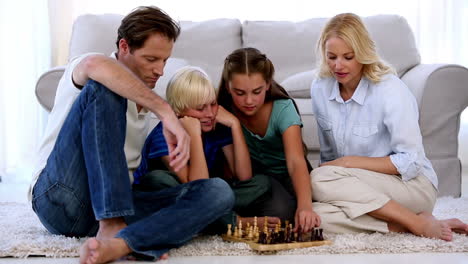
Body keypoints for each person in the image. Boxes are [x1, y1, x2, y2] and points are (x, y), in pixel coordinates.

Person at [29, 6, 234, 264]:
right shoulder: (92, 67)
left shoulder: (143, 98)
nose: (160, 70)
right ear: (124, 47)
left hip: (112, 208)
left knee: (218, 192)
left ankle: (124, 243)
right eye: (151, 59)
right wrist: (165, 111)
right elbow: (96, 66)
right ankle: (113, 223)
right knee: (106, 87)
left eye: (165, 61)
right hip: (59, 198)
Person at [310, 12, 468, 241]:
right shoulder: (320, 88)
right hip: (354, 186)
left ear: (363, 54)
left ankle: (414, 221)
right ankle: (406, 223)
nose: (338, 65)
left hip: (411, 185)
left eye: (348, 57)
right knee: (313, 217)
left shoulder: (390, 89)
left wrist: (346, 164)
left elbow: (411, 161)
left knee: (318, 179)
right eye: (331, 57)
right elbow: (328, 156)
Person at [133, 66, 273, 232]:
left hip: (196, 198)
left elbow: (244, 176)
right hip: (164, 195)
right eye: (200, 108)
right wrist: (194, 135)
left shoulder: (216, 127)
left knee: (260, 183)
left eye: (212, 104)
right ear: (178, 112)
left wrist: (235, 125)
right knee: (157, 178)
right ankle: (235, 222)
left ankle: (207, 218)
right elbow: (199, 188)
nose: (210, 114)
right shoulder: (163, 136)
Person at [218, 47, 321, 232]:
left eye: (257, 91)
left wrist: (305, 206)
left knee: (287, 213)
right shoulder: (225, 112)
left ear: (267, 84)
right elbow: (233, 172)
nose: (249, 101)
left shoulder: (283, 109)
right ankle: (235, 218)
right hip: (254, 181)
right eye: (240, 93)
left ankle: (235, 216)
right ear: (228, 87)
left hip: (286, 176)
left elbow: (296, 162)